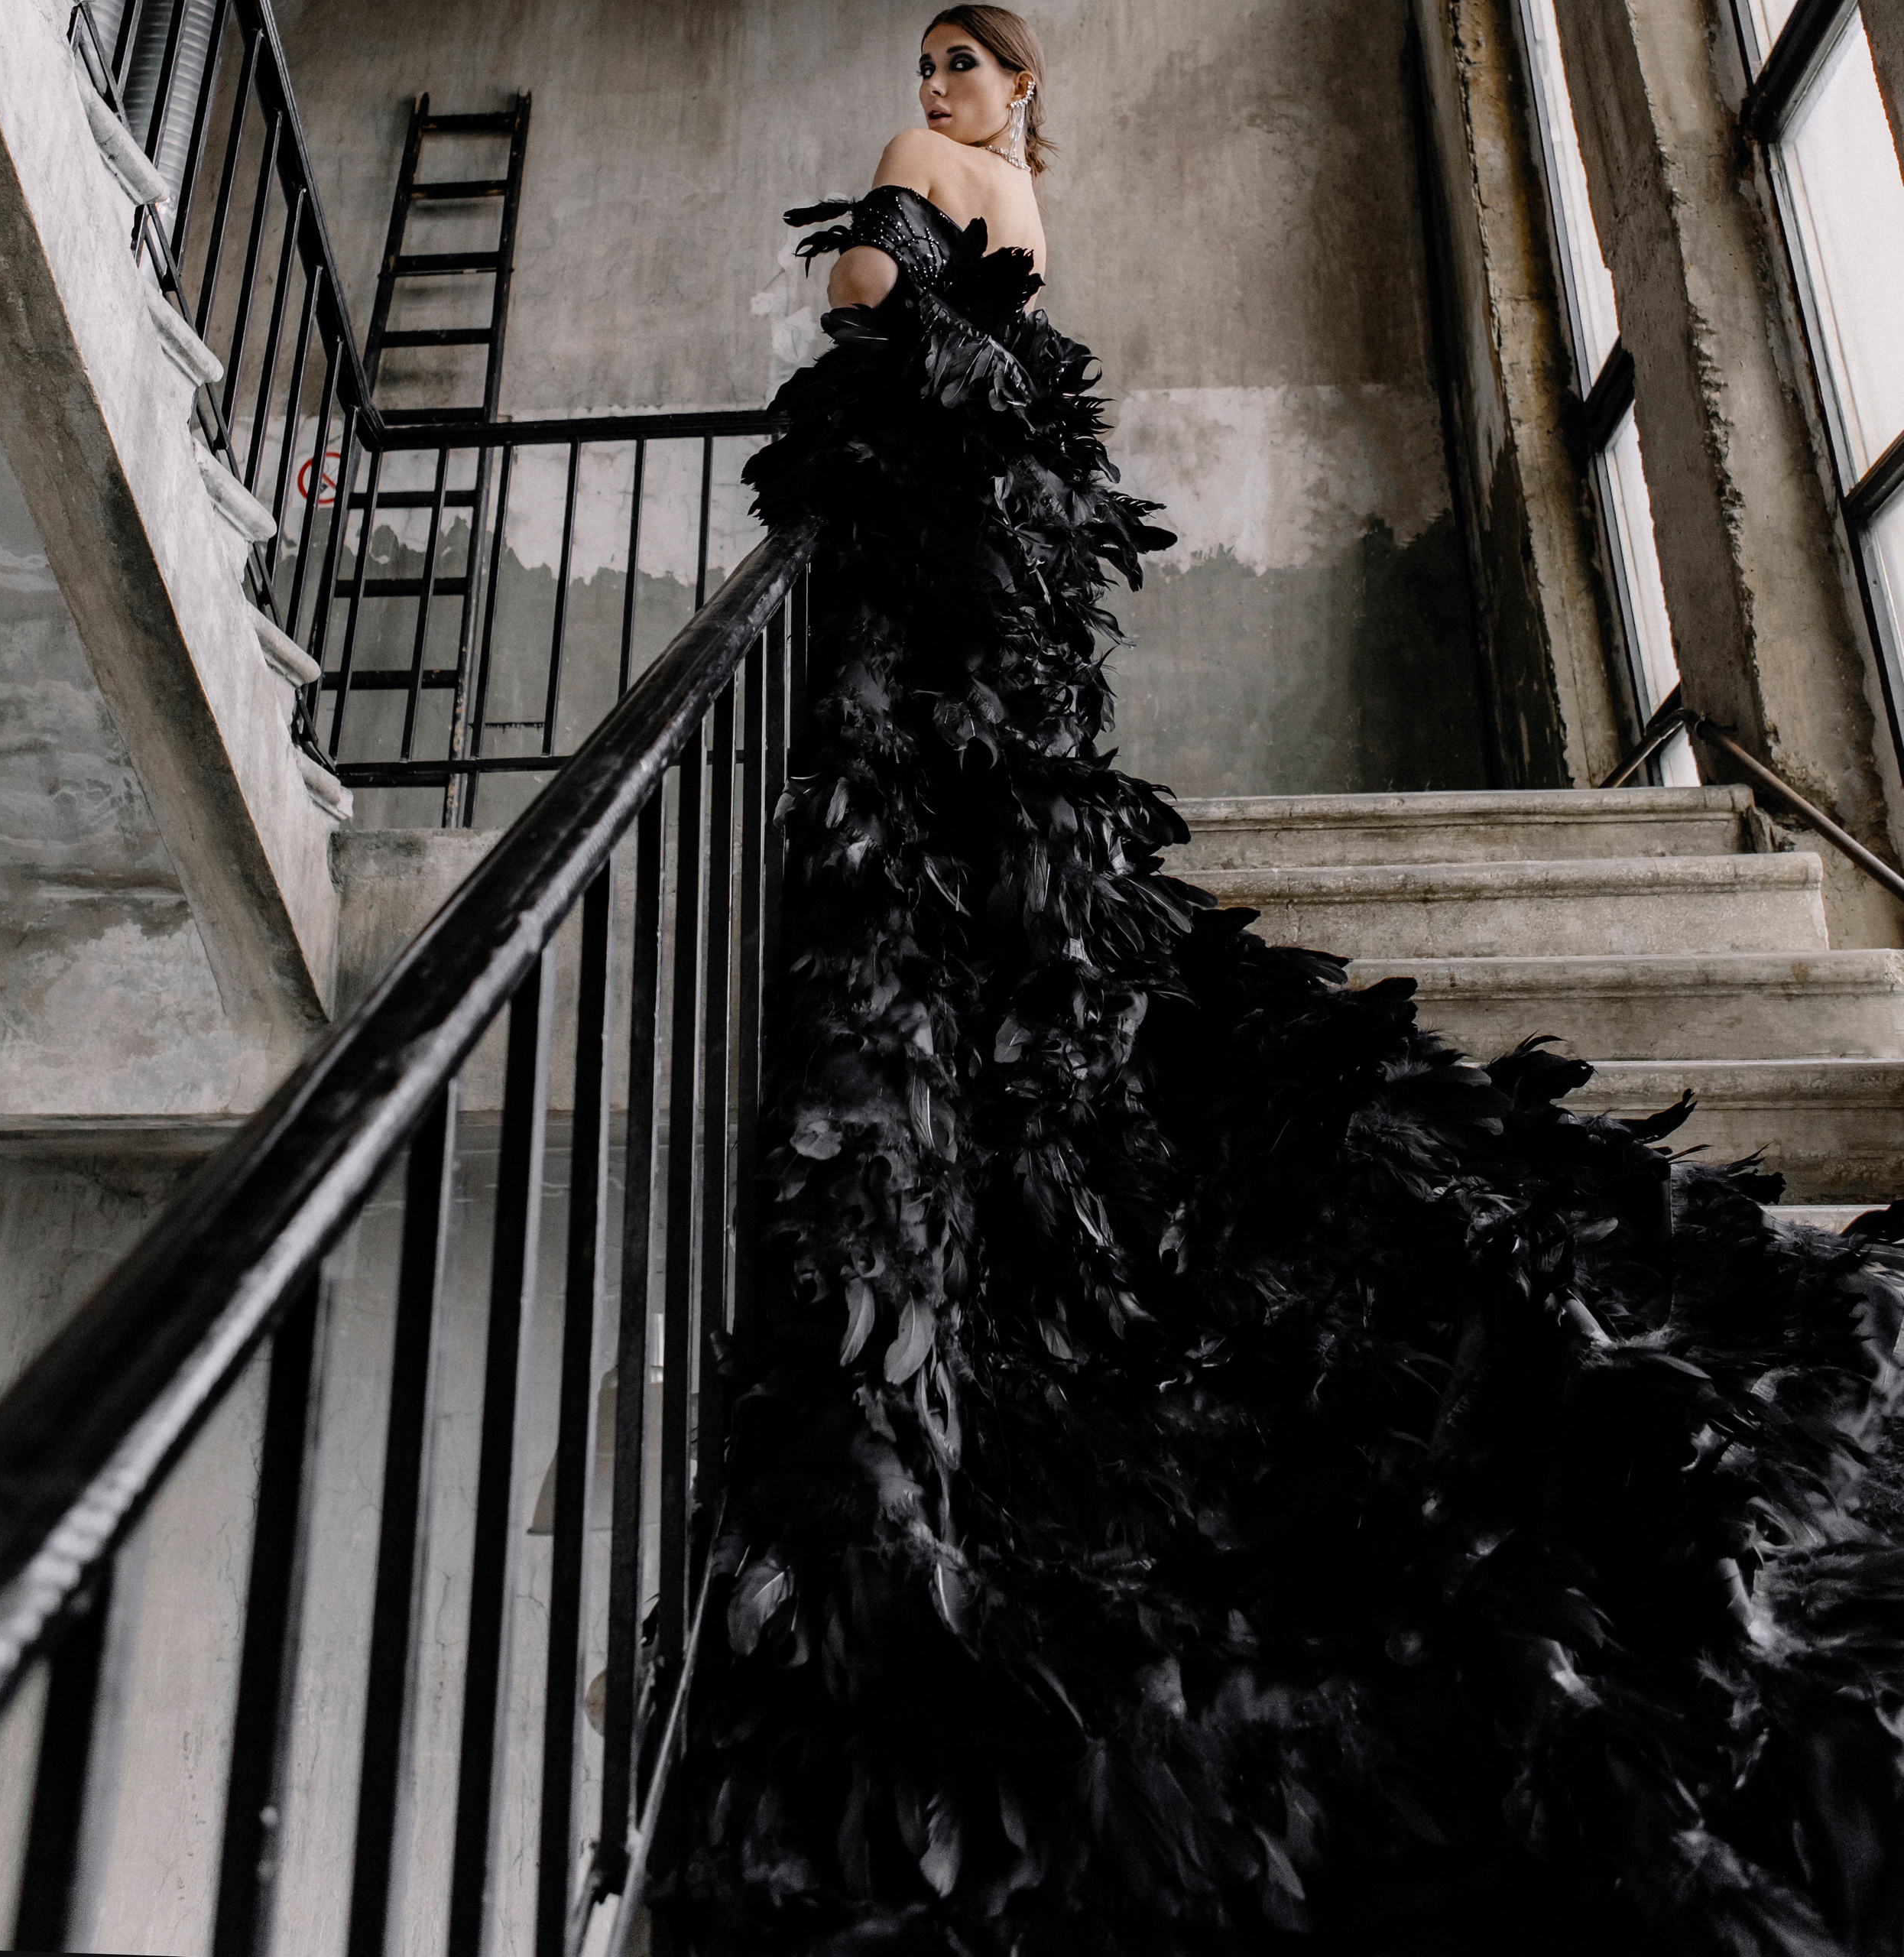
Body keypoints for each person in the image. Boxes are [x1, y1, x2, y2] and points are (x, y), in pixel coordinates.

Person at [683, 9, 1904, 1952]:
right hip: (1012, 551)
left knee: (918, 821)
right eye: (926, 68)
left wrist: (870, 282)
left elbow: (862, 302)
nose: (930, 91)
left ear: (1014, 84)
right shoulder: (1029, 203)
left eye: (959, 63)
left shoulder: (922, 178)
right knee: (1001, 825)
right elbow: (1008, 358)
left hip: (938, 544)